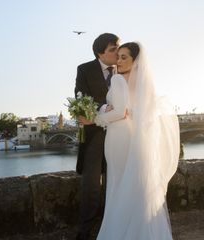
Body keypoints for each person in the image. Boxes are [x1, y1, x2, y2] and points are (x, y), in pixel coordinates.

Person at [80, 42, 180, 239]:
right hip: (135, 138)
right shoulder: (145, 85)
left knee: (118, 185)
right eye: (118, 56)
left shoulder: (117, 80)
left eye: (124, 57)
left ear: (135, 61)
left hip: (118, 138)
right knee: (135, 186)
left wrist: (92, 118)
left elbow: (119, 112)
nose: (119, 60)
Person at [75, 33, 119, 240]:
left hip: (122, 134)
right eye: (113, 49)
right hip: (95, 136)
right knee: (91, 184)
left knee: (116, 182)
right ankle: (86, 229)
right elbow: (81, 101)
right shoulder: (84, 70)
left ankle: (112, 224)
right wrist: (104, 109)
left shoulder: (127, 67)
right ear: (100, 52)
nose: (118, 52)